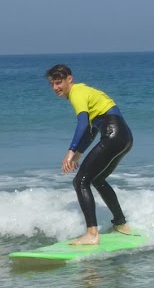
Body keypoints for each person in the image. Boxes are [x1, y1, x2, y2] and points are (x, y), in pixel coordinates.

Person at [45, 64, 134, 245]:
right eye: (52, 84)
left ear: (70, 79)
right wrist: (78, 155)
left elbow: (83, 124)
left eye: (58, 82)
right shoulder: (86, 92)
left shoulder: (77, 92)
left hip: (112, 133)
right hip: (124, 137)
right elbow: (92, 131)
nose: (55, 88)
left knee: (80, 181)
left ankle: (92, 234)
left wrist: (70, 152)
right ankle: (121, 224)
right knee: (97, 179)